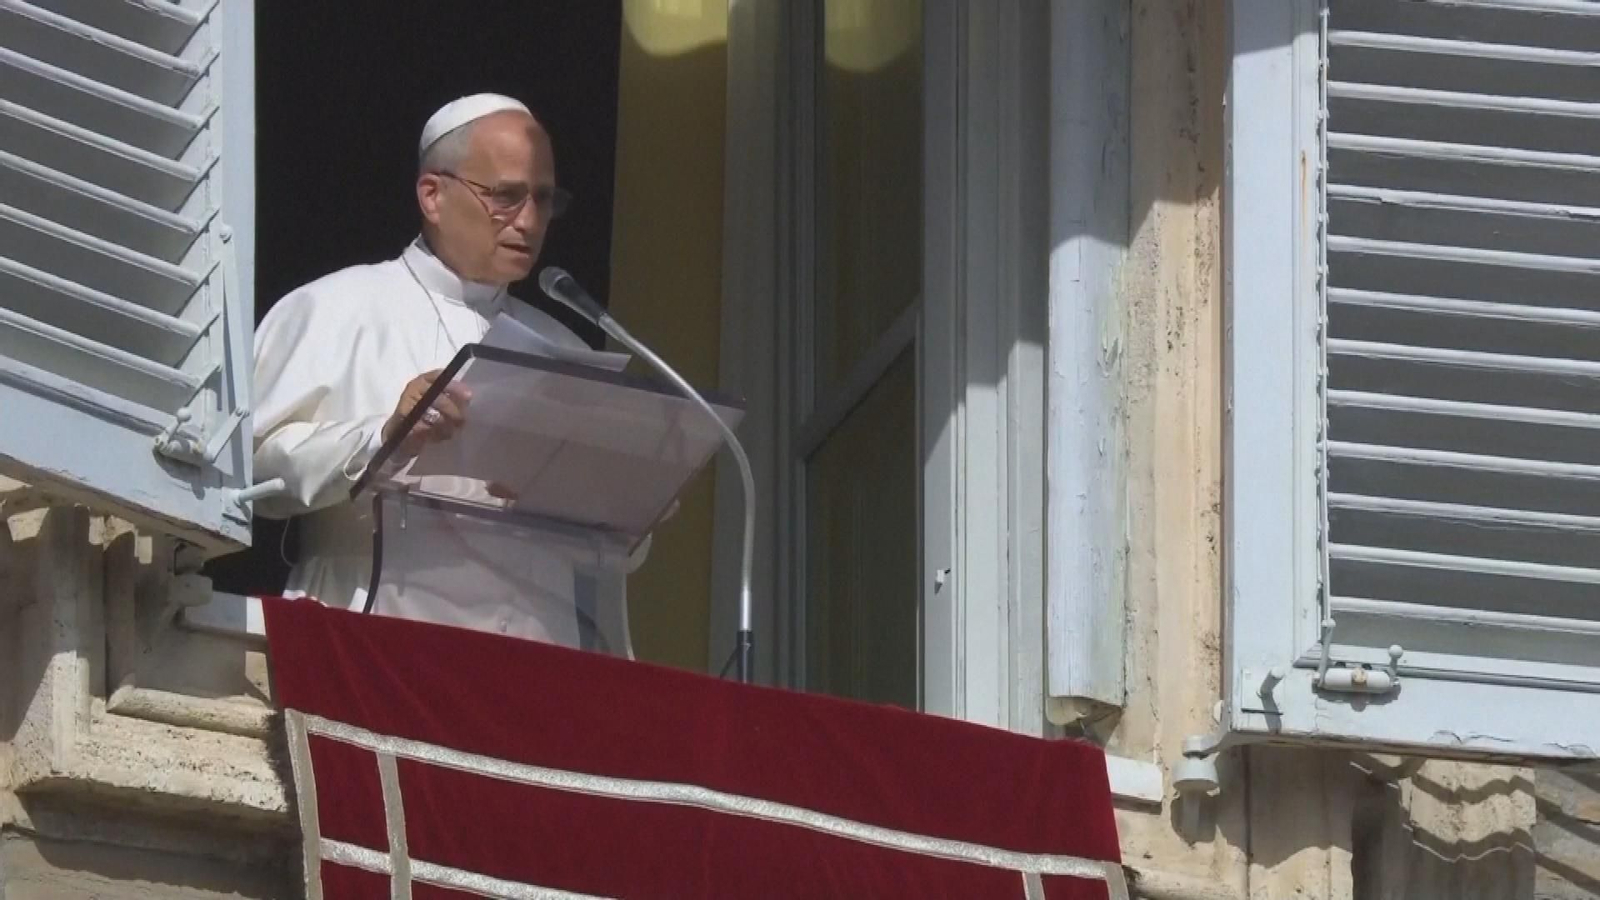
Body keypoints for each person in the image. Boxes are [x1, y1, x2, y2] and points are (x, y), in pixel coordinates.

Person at [252, 93, 628, 649]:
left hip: (533, 665)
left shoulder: (562, 346)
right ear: (432, 193)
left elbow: (613, 550)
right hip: (374, 643)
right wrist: (382, 438)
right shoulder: (333, 308)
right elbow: (253, 474)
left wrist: (619, 491)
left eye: (543, 200)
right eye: (505, 196)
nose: (528, 221)